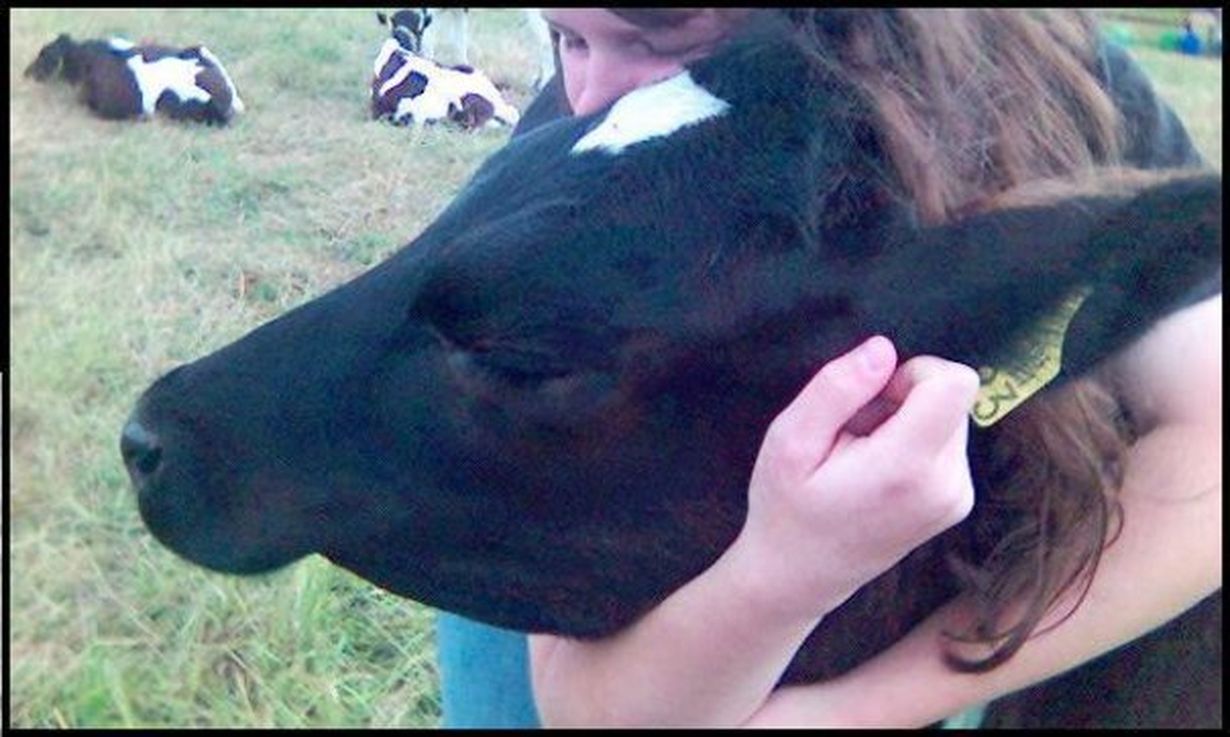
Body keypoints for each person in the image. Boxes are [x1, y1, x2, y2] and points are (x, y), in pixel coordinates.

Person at [436, 8, 1221, 728]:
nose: (590, 102)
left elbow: (1210, 446)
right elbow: (588, 707)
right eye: (568, 39)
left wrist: (860, 708)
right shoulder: (571, 183)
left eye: (660, 40)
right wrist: (785, 570)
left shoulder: (1047, 91)